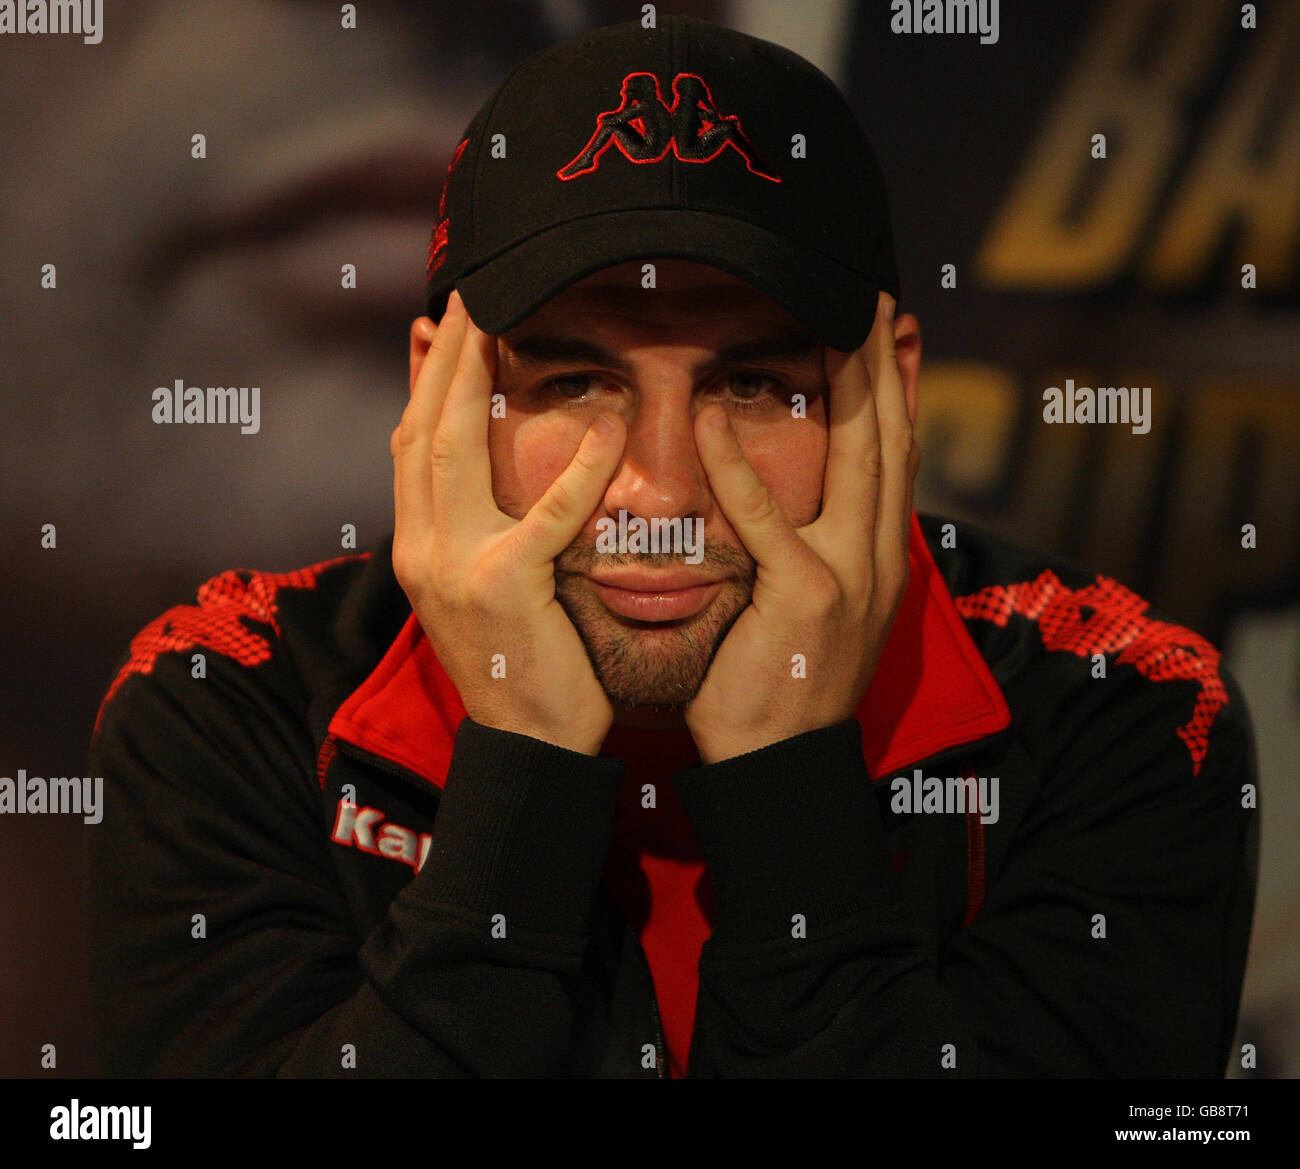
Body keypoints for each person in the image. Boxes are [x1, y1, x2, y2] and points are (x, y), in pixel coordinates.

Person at [86, 14, 1258, 1079]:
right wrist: (522, 765)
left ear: (894, 389)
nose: (659, 484)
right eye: (574, 380)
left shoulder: (1123, 701)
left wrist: (785, 783)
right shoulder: (224, 695)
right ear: (434, 390)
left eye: (752, 383)